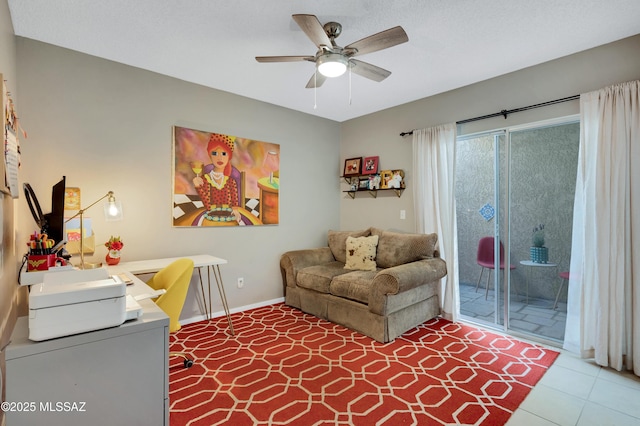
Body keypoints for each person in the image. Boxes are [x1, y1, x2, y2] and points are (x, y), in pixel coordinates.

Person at [193, 133, 241, 222]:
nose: (219, 158)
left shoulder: (231, 181)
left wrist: (235, 211)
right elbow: (208, 206)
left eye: (223, 153)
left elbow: (234, 205)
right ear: (210, 155)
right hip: (211, 217)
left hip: (228, 217)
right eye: (215, 153)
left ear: (229, 157)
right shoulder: (205, 179)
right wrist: (198, 187)